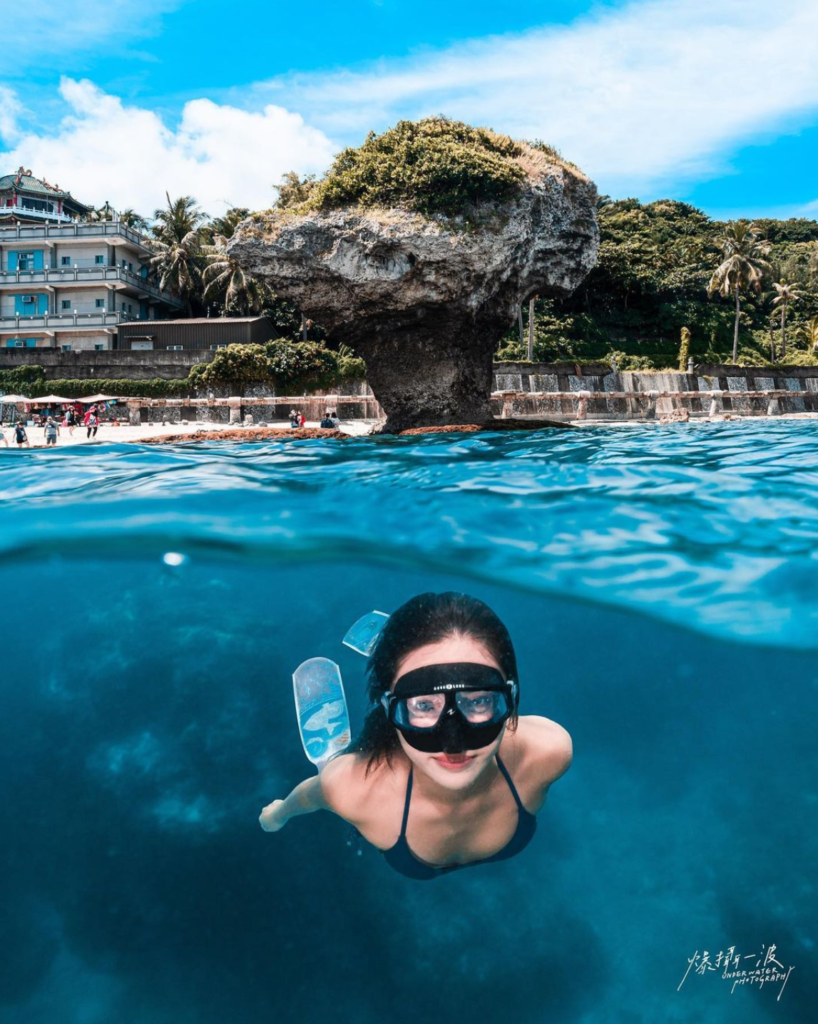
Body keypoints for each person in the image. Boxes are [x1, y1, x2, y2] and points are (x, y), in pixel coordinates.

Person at [259, 592, 573, 879]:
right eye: (424, 705)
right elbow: (310, 795)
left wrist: (275, 818)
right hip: (361, 776)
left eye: (478, 700)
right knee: (333, 774)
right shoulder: (352, 789)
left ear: (510, 698)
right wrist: (278, 812)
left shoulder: (548, 752)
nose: (454, 744)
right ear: (388, 709)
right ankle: (397, 668)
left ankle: (403, 667)